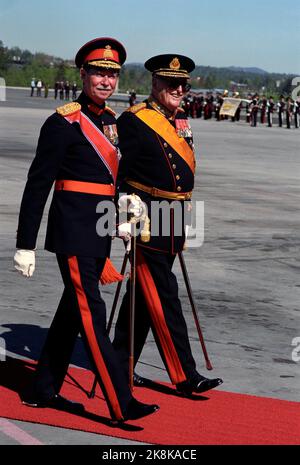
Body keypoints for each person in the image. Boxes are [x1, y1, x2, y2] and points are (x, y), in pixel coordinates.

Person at [13, 37, 159, 423]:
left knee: (71, 314)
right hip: (73, 231)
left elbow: (115, 179)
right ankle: (121, 400)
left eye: (112, 74)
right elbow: (38, 183)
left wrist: (126, 209)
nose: (106, 80)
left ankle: (41, 388)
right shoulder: (63, 122)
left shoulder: (111, 121)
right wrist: (24, 244)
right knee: (92, 314)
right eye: (99, 72)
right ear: (83, 73)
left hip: (98, 229)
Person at [112, 54, 223, 396]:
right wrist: (122, 212)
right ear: (154, 84)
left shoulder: (180, 120)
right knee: (164, 294)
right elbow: (116, 169)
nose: (178, 89)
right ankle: (185, 375)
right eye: (171, 83)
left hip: (173, 214)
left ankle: (120, 365)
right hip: (146, 215)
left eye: (183, 85)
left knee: (143, 296)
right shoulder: (134, 120)